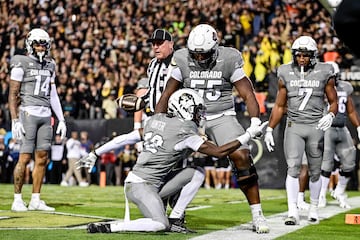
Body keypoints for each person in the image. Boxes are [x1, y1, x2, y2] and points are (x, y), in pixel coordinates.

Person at [83, 88, 268, 233]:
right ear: (185, 109)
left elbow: (125, 138)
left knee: (196, 173)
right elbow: (219, 152)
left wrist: (95, 153)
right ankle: (112, 227)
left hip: (149, 183)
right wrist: (248, 135)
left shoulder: (156, 120)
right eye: (197, 111)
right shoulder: (184, 132)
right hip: (140, 186)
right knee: (159, 224)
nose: (199, 116)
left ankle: (176, 218)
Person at [79, 29, 206, 233]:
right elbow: (149, 95)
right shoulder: (153, 65)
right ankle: (169, 215)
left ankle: (173, 216)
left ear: (171, 44)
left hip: (176, 120)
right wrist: (142, 104)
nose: (155, 47)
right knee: (161, 167)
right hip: (157, 121)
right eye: (153, 43)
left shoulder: (181, 62)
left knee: (177, 165)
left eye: (159, 43)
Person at [154, 24, 270, 234]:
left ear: (215, 48)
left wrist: (254, 120)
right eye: (195, 54)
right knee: (163, 157)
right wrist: (158, 122)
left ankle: (257, 213)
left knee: (242, 157)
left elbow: (247, 93)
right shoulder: (181, 58)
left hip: (221, 116)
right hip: (188, 119)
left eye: (203, 54)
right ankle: (167, 208)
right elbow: (166, 95)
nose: (199, 59)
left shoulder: (229, 57)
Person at [264, 35, 338, 225]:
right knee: (293, 168)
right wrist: (270, 129)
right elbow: (279, 106)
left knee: (314, 171)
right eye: (299, 55)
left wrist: (330, 115)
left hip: (315, 126)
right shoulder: (285, 72)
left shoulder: (325, 71)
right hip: (294, 125)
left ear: (313, 55)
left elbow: (333, 101)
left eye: (305, 55)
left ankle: (313, 208)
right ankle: (292, 211)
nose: (302, 58)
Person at [9, 28, 67, 211]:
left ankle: (35, 199)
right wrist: (14, 119)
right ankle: (17, 199)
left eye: (44, 44)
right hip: (28, 114)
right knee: (24, 157)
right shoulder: (21, 62)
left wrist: (62, 119)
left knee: (42, 158)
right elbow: (13, 94)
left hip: (45, 115)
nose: (41, 47)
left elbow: (53, 95)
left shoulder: (50, 65)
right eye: (37, 43)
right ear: (30, 44)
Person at [318, 61, 360, 209]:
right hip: (327, 128)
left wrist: (359, 127)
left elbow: (350, 110)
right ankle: (321, 195)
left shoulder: (345, 87)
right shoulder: (320, 87)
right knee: (326, 164)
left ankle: (339, 192)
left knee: (350, 162)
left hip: (342, 128)